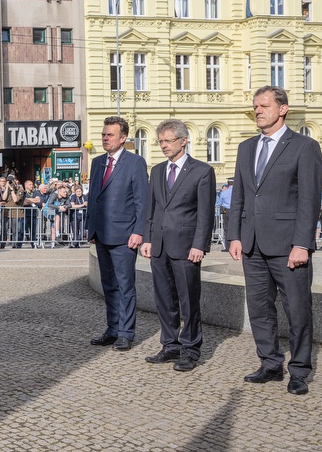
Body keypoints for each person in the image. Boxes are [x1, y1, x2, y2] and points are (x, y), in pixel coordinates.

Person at [227, 86, 322, 395]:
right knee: (259, 308)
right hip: (252, 244)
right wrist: (234, 235)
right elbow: (240, 196)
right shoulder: (246, 148)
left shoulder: (304, 147)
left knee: (297, 309)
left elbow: (309, 200)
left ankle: (299, 370)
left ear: (283, 109)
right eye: (255, 106)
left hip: (288, 246)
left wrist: (302, 244)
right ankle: (269, 363)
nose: (257, 110)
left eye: (264, 105)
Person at [139, 119, 216, 372]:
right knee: (164, 299)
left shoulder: (202, 171)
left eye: (168, 141)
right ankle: (170, 345)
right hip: (159, 246)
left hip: (186, 247)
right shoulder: (157, 171)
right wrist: (147, 238)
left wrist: (199, 245)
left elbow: (205, 213)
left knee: (188, 301)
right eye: (160, 141)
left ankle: (190, 349)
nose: (163, 145)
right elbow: (151, 209)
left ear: (183, 141)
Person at [85, 115, 149, 351]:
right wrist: (91, 228)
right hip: (102, 234)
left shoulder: (135, 163)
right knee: (108, 285)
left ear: (123, 138)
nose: (105, 138)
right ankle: (112, 329)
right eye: (103, 134)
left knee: (125, 286)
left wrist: (139, 231)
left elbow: (142, 200)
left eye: (110, 135)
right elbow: (94, 197)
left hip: (124, 236)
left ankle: (126, 332)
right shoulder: (97, 162)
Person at [216, 182, 233, 251]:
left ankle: (228, 247)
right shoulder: (238, 191)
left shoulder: (224, 192)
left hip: (227, 211)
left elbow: (220, 202)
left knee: (227, 229)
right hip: (236, 210)